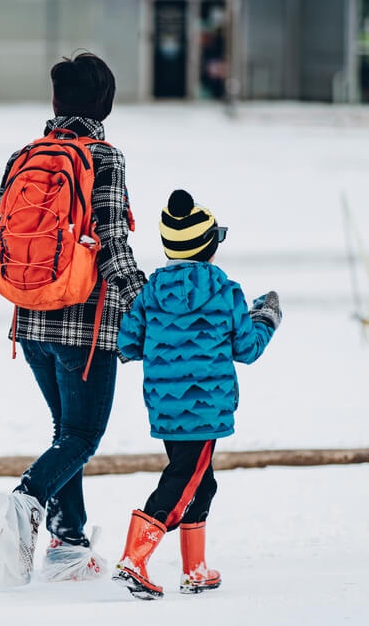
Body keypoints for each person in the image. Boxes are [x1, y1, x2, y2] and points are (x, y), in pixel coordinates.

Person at [0, 52, 147, 585]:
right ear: (105, 104)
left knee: (64, 434)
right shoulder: (105, 158)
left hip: (30, 324)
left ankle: (68, 546)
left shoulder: (23, 157)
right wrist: (151, 308)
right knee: (81, 437)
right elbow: (113, 250)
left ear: (56, 102)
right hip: (86, 328)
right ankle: (22, 502)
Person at [113, 189, 281, 600]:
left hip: (166, 407)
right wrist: (267, 317)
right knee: (182, 482)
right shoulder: (225, 291)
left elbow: (127, 344)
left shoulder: (151, 292)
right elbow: (247, 348)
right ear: (209, 246)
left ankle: (196, 569)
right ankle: (134, 560)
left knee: (200, 485)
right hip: (205, 408)